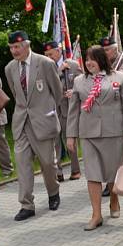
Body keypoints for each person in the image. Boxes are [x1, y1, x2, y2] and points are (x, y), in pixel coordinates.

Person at [66, 46, 123, 230]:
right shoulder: (79, 81)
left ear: (102, 60)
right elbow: (73, 112)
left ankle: (114, 199)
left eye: (93, 59)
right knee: (93, 174)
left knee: (113, 173)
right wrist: (71, 136)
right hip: (89, 135)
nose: (89, 63)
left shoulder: (119, 78)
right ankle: (96, 215)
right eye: (87, 60)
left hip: (114, 133)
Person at [4, 30, 62, 221]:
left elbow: (57, 92)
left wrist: (49, 111)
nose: (14, 51)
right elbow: (17, 95)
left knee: (47, 163)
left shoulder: (45, 63)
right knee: (22, 164)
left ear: (27, 45)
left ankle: (53, 193)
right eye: (11, 47)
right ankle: (26, 205)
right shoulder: (10, 68)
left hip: (43, 121)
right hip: (22, 123)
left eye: (17, 47)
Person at [100, 36, 123, 196]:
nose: (105, 53)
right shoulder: (101, 63)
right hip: (109, 110)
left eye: (108, 50)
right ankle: (112, 181)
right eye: (103, 50)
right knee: (111, 147)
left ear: (116, 49)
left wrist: (107, 72)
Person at [43, 41, 83, 181]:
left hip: (68, 109)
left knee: (70, 140)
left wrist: (75, 91)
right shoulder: (45, 67)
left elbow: (83, 82)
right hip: (52, 110)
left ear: (58, 51)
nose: (48, 57)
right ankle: (58, 172)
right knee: (55, 142)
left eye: (51, 54)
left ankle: (75, 170)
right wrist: (59, 70)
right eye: (46, 54)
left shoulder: (72, 65)